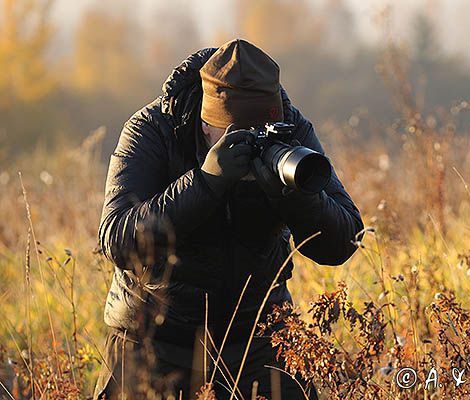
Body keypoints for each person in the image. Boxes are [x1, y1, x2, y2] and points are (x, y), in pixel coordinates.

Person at [93, 38, 364, 400]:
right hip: (153, 338)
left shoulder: (291, 128)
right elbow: (118, 240)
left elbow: (344, 241)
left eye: (263, 136)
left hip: (257, 336)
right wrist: (205, 183)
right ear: (207, 125)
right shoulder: (154, 129)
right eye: (239, 136)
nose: (255, 145)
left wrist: (293, 195)